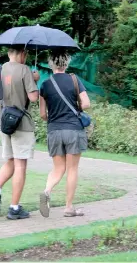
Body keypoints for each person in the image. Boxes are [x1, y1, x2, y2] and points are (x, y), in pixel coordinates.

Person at [0, 46, 40, 220]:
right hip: (21, 124)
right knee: (20, 165)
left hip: (3, 123)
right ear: (23, 54)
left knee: (10, 160)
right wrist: (34, 80)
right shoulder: (24, 70)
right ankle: (14, 207)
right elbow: (33, 98)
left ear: (9, 53)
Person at [38, 51, 91, 218]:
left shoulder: (45, 84)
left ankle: (47, 191)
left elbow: (42, 114)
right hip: (74, 129)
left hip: (54, 130)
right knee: (72, 169)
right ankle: (68, 208)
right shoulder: (74, 80)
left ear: (51, 64)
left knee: (58, 168)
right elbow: (87, 104)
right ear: (66, 64)